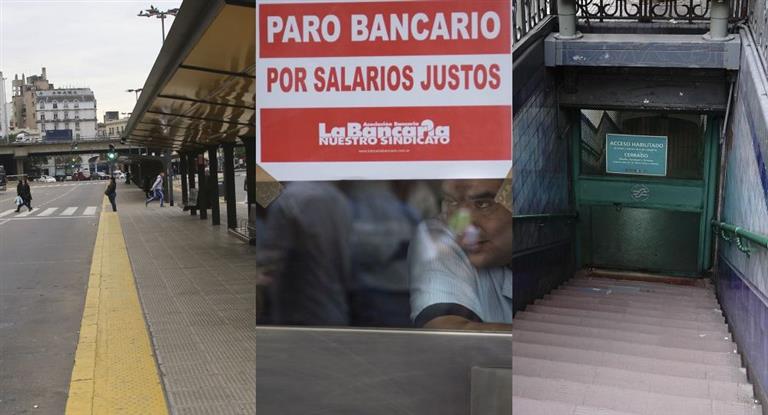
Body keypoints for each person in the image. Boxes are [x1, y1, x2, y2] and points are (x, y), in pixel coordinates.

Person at [408, 179, 513, 331]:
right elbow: (445, 333)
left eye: (483, 204)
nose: (462, 227)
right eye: (452, 202)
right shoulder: (440, 237)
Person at [257, 181, 353, 326]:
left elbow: (270, 261)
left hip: (299, 312)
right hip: (335, 307)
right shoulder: (338, 198)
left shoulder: (289, 201)